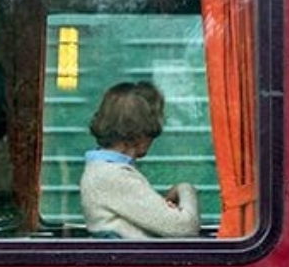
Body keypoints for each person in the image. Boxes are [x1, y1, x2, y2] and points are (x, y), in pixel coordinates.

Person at [80, 81, 200, 238]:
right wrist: (184, 189)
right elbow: (185, 228)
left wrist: (164, 211)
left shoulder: (105, 170)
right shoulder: (112, 176)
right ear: (140, 132)